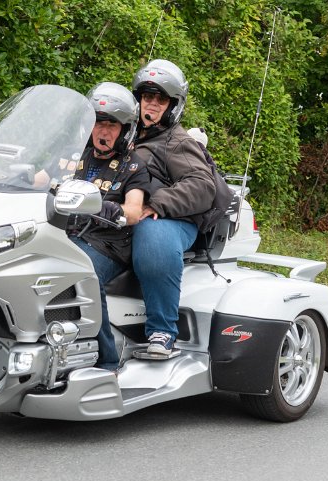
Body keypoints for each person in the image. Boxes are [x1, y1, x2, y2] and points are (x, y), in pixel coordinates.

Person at [131, 59, 217, 357]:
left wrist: (157, 203)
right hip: (126, 214)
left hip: (173, 220)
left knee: (152, 236)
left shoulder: (176, 141)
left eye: (160, 99)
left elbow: (202, 185)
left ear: (173, 105)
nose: (152, 104)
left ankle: (162, 330)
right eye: (147, 97)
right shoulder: (123, 133)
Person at [68, 82, 150, 371]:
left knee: (84, 274)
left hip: (108, 245)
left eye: (111, 125)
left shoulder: (133, 166)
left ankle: (107, 361)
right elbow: (42, 177)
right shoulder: (76, 157)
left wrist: (107, 207)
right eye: (98, 123)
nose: (103, 131)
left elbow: (134, 210)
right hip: (69, 236)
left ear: (125, 130)